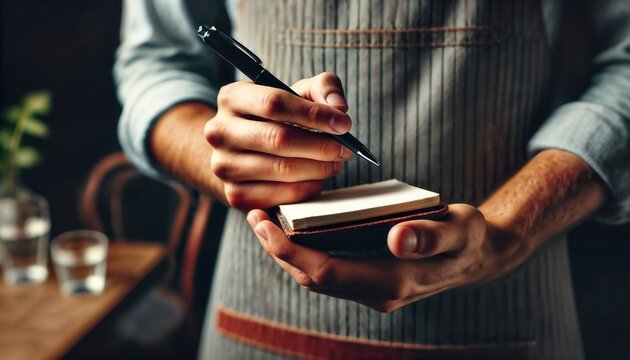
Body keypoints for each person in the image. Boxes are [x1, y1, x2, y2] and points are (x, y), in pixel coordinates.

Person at [114, 1, 630, 359]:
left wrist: (510, 229)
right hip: (259, 318)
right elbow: (155, 63)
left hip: (509, 309)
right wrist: (223, 159)